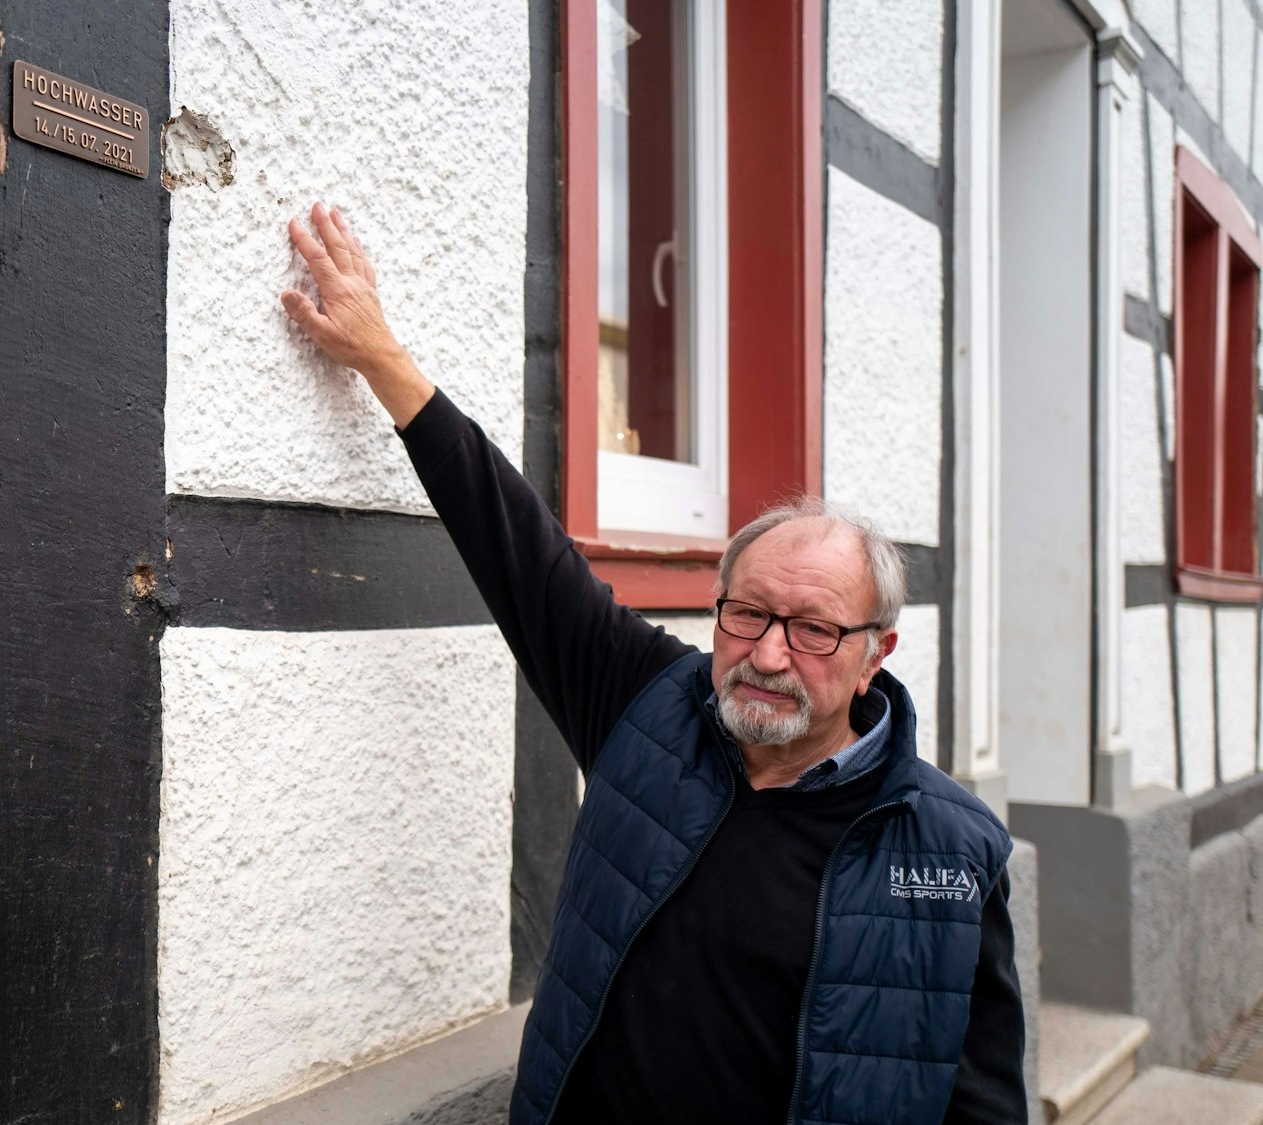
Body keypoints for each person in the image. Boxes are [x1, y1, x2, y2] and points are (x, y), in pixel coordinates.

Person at [279, 202, 1024, 1123]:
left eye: (815, 629)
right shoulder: (647, 707)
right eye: (746, 613)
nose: (768, 654)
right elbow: (519, 550)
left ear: (877, 654)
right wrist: (384, 359)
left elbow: (982, 1099)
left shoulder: (950, 849)